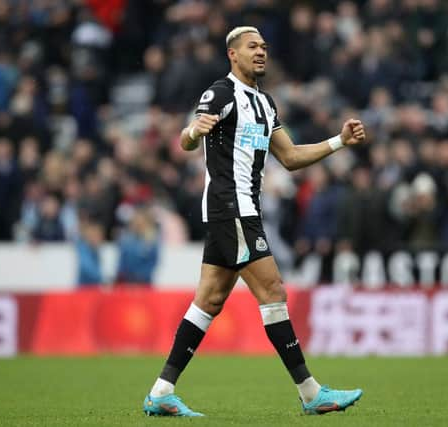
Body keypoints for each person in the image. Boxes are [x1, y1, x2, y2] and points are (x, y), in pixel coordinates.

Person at [143, 26, 367, 417]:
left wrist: (338, 142)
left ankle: (161, 391)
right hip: (232, 208)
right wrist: (193, 131)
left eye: (264, 46)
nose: (261, 52)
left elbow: (292, 156)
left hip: (239, 210)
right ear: (233, 54)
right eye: (252, 47)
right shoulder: (221, 93)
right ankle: (311, 392)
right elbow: (187, 141)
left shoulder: (265, 104)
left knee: (210, 300)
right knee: (274, 291)